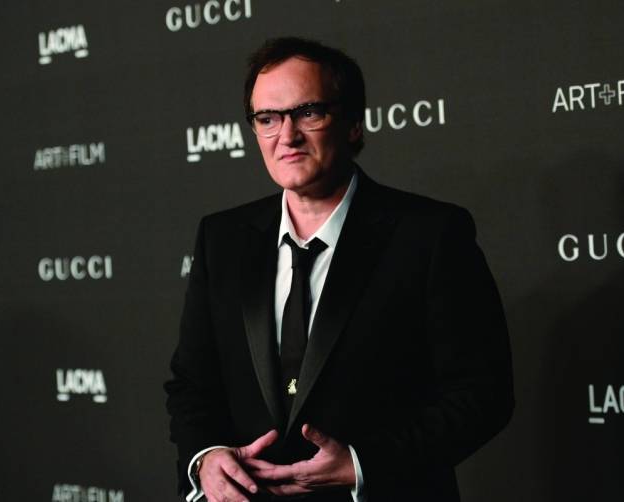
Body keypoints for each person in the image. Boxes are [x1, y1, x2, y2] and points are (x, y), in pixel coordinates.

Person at [165, 37, 514, 502]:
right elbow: (192, 385)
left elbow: (483, 395)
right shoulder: (222, 238)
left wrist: (364, 464)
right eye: (267, 118)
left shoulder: (430, 235)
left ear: (352, 124)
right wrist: (205, 458)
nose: (286, 136)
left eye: (308, 113)